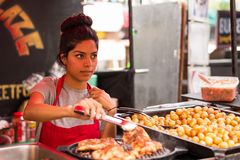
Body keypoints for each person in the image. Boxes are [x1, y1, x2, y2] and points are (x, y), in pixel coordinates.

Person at [23, 13, 116, 149]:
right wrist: (71, 110)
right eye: (80, 56)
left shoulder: (99, 98)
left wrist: (112, 112)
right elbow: (30, 111)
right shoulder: (49, 87)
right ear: (64, 58)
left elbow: (107, 148)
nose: (89, 64)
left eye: (93, 56)